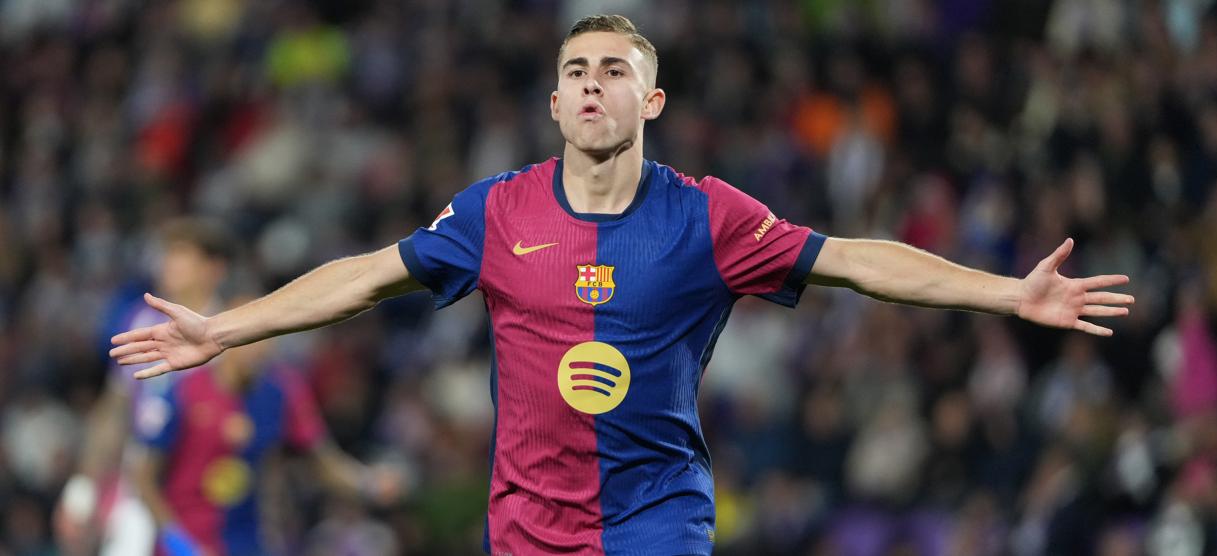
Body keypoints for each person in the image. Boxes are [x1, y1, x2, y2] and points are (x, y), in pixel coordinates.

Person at [109, 15, 1135, 556]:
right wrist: (226, 330)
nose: (593, 83)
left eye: (614, 68)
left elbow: (859, 260)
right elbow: (366, 276)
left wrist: (1007, 292)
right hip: (524, 524)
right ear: (553, 101)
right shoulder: (496, 212)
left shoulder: (707, 216)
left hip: (653, 517)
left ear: (651, 96)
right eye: (577, 70)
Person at [127, 326, 403, 556]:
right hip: (186, 541)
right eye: (247, 338)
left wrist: (367, 484)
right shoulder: (184, 391)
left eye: (263, 338)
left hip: (248, 542)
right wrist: (178, 543)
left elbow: (322, 460)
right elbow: (144, 477)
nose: (256, 348)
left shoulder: (282, 393)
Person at [56, 218, 234, 556]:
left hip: (207, 496)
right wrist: (82, 488)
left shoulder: (232, 333)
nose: (168, 262)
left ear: (214, 268)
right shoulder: (140, 321)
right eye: (167, 252)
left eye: (181, 253)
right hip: (141, 491)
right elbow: (116, 408)